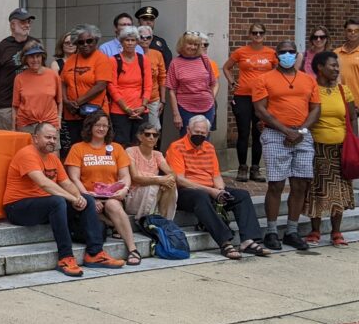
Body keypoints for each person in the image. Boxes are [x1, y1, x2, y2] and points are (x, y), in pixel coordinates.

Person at [2, 124, 126, 277]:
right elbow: (44, 183)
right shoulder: (27, 154)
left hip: (45, 205)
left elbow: (67, 183)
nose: (52, 141)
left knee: (87, 199)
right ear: (35, 138)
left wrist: (78, 198)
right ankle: (65, 257)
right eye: (48, 137)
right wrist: (71, 198)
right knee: (58, 201)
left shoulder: (53, 158)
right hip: (18, 208)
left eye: (54, 138)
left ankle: (95, 253)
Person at [167, 116, 272, 259]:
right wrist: (211, 191)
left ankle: (248, 240)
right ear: (188, 130)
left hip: (210, 190)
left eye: (203, 133)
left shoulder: (209, 148)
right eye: (196, 131)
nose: (200, 135)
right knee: (201, 196)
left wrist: (221, 190)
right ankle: (224, 242)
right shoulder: (176, 147)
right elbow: (180, 180)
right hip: (186, 192)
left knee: (242, 195)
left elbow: (216, 176)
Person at [252, 39, 320, 252]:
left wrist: (299, 131)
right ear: (276, 55)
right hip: (275, 134)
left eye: (291, 51)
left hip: (302, 135)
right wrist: (285, 130)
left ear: (297, 54)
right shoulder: (264, 79)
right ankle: (271, 231)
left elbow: (316, 108)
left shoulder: (308, 80)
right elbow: (260, 109)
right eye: (283, 52)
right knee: (276, 184)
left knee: (300, 184)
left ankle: (292, 230)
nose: (287, 55)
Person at [64, 113, 142, 266]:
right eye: (97, 125)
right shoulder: (78, 148)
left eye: (105, 125)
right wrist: (89, 197)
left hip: (112, 195)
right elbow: (74, 178)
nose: (101, 128)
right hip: (88, 196)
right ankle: (112, 225)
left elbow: (125, 175)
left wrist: (125, 188)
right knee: (92, 206)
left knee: (113, 205)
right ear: (90, 127)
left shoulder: (117, 148)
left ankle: (132, 248)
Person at [307, 51, 355, 247]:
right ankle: (315, 230)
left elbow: (352, 118)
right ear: (320, 67)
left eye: (337, 66)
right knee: (316, 189)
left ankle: (336, 232)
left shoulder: (344, 91)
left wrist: (355, 142)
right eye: (332, 66)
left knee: (339, 191)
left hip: (340, 149)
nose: (336, 69)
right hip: (317, 148)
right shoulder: (311, 89)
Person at [223, 23, 276, 182]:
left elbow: (279, 72)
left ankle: (255, 169)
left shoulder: (271, 53)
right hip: (243, 95)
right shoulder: (241, 52)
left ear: (264, 35)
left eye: (260, 33)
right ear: (249, 34)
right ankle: (242, 167)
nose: (257, 36)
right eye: (254, 33)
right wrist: (232, 82)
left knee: (259, 133)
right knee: (243, 133)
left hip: (263, 97)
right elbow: (226, 67)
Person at [59, 24, 112, 151]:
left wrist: (77, 102)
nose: (85, 44)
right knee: (76, 147)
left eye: (89, 41)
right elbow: (63, 83)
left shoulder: (102, 59)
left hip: (95, 113)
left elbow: (101, 85)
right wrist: (66, 102)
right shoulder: (70, 60)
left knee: (94, 147)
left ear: (96, 41)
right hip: (72, 113)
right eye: (81, 42)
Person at [0, 8, 37, 130]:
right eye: (23, 22)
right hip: (6, 105)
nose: (27, 25)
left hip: (30, 105)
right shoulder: (1, 47)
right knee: (5, 144)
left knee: (30, 144)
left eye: (29, 22)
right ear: (13, 25)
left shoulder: (35, 44)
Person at [108, 27, 153, 146]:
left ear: (137, 42)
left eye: (133, 40)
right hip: (119, 110)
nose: (130, 43)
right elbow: (112, 87)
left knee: (140, 144)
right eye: (127, 40)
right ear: (121, 42)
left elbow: (148, 85)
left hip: (141, 110)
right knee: (120, 145)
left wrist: (143, 106)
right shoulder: (113, 60)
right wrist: (126, 108)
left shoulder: (143, 60)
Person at [166, 32, 218, 135]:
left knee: (204, 140)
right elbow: (171, 90)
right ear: (183, 44)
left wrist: (211, 100)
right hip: (186, 109)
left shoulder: (204, 59)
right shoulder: (175, 63)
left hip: (207, 108)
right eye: (189, 43)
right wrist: (176, 114)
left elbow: (213, 82)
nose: (193, 47)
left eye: (196, 45)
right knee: (187, 140)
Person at [125, 122, 177, 220]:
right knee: (156, 185)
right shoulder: (131, 151)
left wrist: (167, 180)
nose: (152, 137)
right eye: (147, 134)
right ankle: (147, 220)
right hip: (134, 194)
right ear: (140, 137)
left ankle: (164, 220)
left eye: (155, 135)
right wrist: (159, 180)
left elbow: (172, 173)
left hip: (154, 193)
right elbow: (135, 178)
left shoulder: (158, 154)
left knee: (170, 184)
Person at [12, 44, 62, 133]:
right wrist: (13, 128)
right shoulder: (19, 78)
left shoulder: (53, 75)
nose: (35, 60)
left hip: (50, 125)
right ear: (25, 59)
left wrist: (59, 119)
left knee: (51, 147)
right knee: (26, 148)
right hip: (26, 126)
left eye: (38, 56)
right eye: (31, 57)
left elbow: (59, 101)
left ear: (42, 57)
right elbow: (15, 106)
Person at [136, 25, 167, 134]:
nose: (145, 40)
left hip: (153, 99)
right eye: (142, 37)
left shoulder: (157, 54)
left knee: (154, 129)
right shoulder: (131, 54)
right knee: (137, 131)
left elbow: (162, 77)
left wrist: (163, 100)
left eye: (148, 37)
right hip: (135, 99)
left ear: (152, 38)